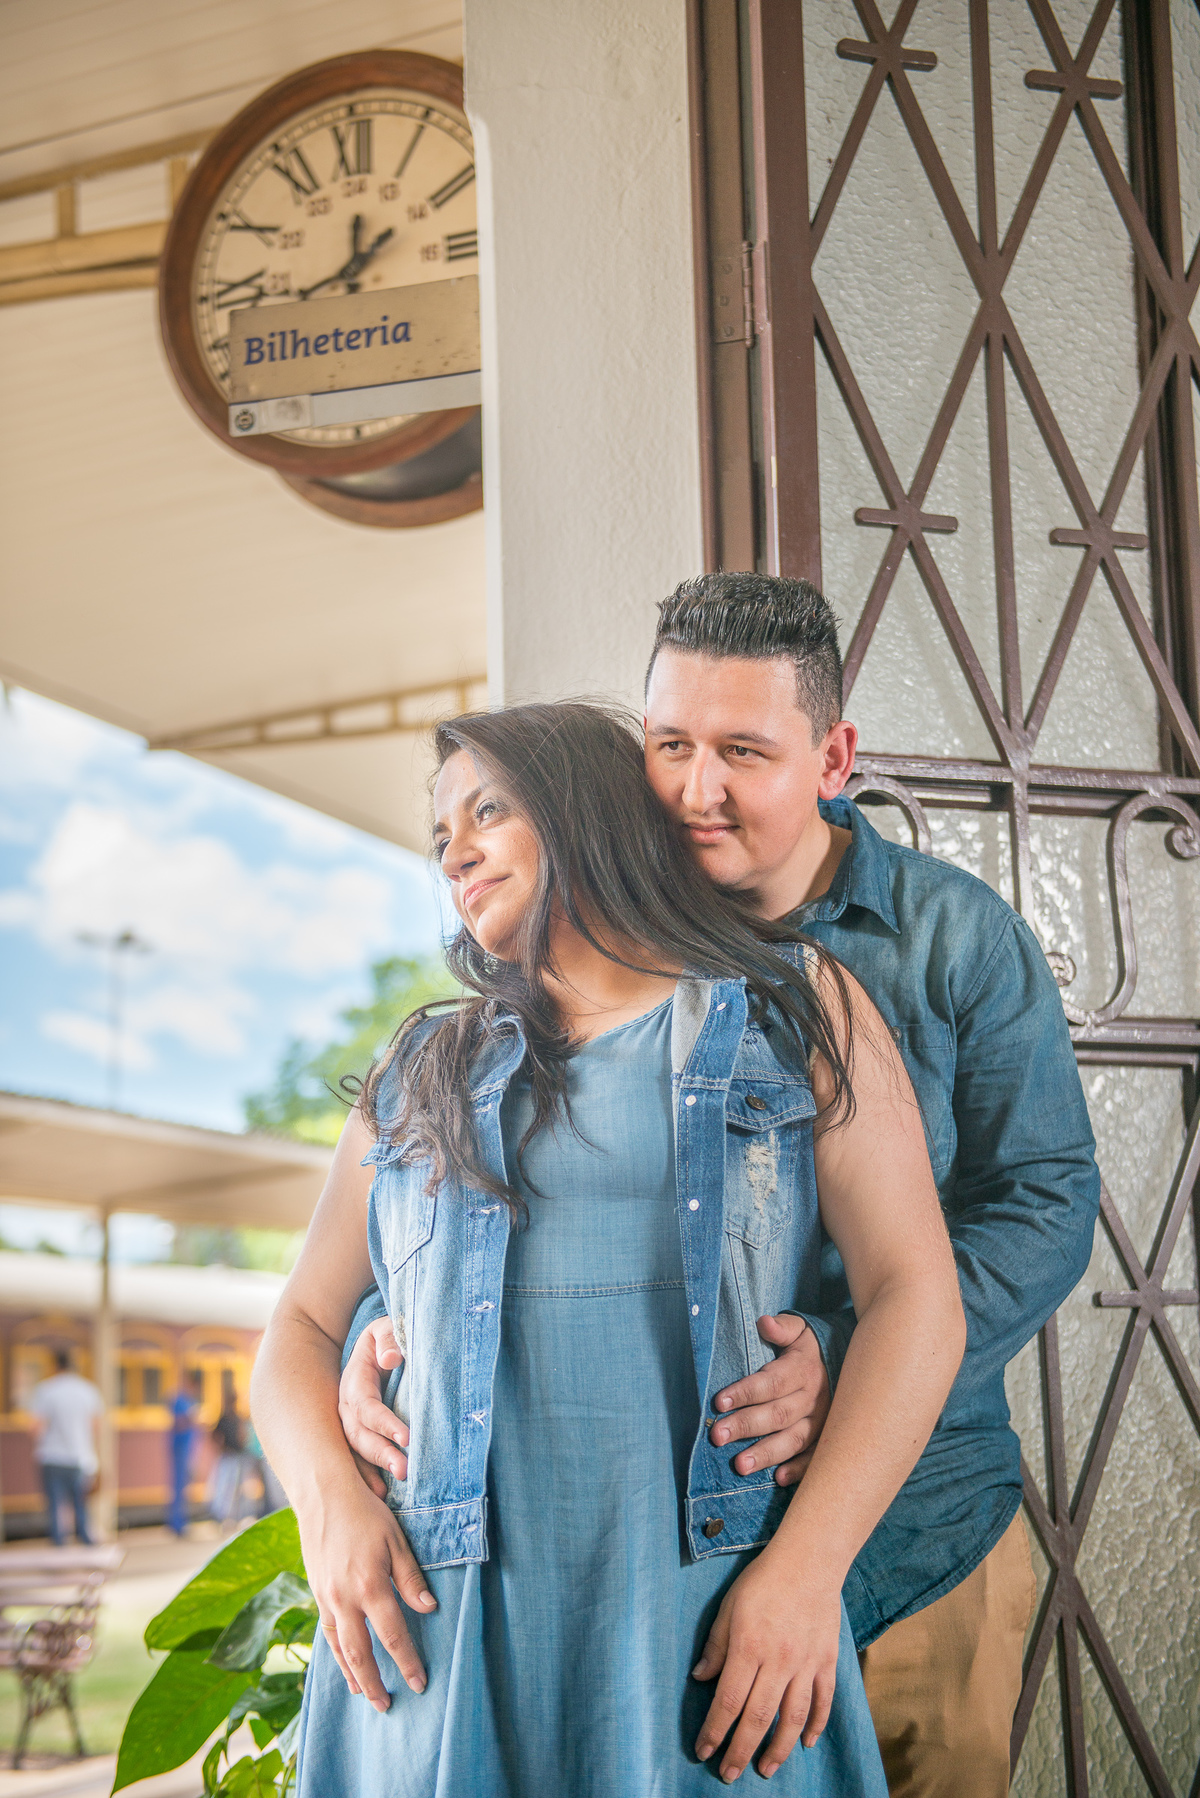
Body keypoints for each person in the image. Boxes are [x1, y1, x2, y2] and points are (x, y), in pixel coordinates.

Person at [340, 575, 1100, 1797]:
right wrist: (388, 1338)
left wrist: (843, 1357)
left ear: (832, 756)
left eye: (744, 750)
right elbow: (482, 1227)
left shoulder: (947, 940)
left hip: (918, 1529)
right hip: (675, 1578)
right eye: (672, 745)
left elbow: (1046, 1201)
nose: (700, 789)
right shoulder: (578, 959)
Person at [253, 700, 964, 1795]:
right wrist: (330, 1511)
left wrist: (808, 1572)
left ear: (587, 805)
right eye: (442, 837)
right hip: (431, 1650)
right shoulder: (417, 1077)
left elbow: (917, 1294)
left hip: (708, 1630)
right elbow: (296, 1328)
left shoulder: (798, 1009)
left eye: (489, 809)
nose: (458, 852)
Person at [28, 1349, 103, 1547]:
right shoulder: (88, 1390)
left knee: (54, 1505)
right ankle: (86, 1541)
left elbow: (36, 1427)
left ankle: (59, 1544)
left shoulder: (45, 1390)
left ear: (55, 1366)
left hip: (51, 1456)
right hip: (80, 1456)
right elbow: (95, 1426)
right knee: (81, 1503)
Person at [168, 1368, 203, 1537]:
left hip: (189, 1449)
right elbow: (179, 1423)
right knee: (178, 1487)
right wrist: (191, 1417)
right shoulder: (179, 1401)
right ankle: (177, 1524)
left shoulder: (189, 1400)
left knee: (185, 1488)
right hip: (180, 1448)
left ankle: (182, 1522)